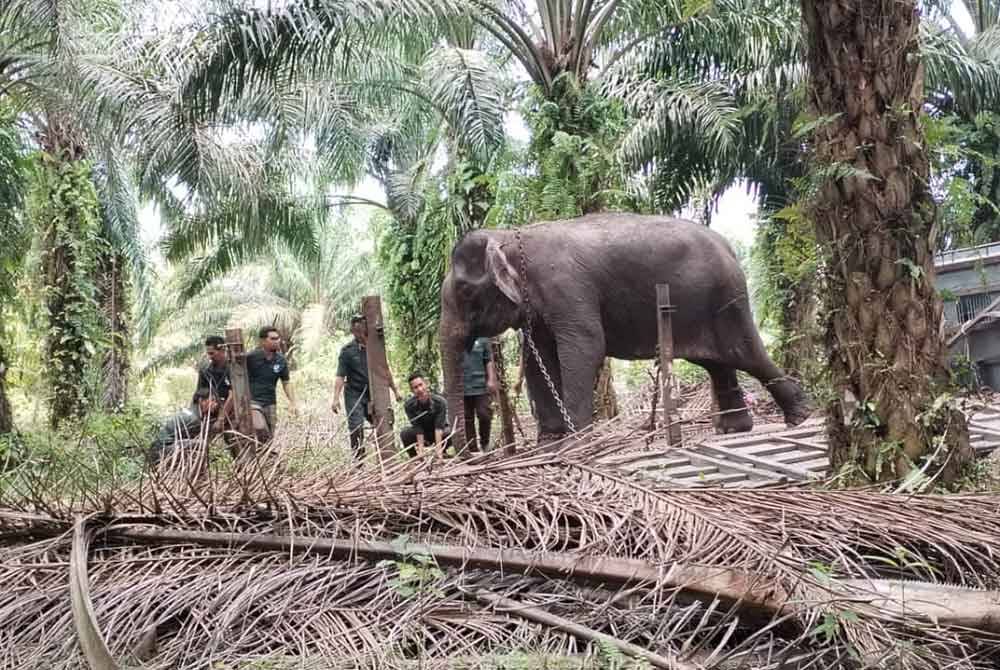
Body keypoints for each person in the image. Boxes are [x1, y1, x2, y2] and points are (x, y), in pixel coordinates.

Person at [331, 314, 401, 461]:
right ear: (352, 331)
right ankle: (359, 462)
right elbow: (340, 376)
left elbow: (385, 370)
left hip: (374, 392)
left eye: (362, 328)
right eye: (356, 329)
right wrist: (335, 398)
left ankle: (386, 459)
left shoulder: (375, 348)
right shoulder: (347, 351)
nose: (359, 332)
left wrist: (395, 391)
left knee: (384, 423)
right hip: (354, 394)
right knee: (356, 427)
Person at [245, 327, 297, 442]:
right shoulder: (251, 357)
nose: (277, 341)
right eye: (273, 339)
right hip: (253, 402)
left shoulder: (281, 360)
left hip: (270, 403)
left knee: (269, 436)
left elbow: (286, 382)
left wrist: (293, 402)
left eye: (278, 338)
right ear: (263, 341)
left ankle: (266, 458)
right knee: (260, 428)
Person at [147, 388, 218, 466]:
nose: (215, 404)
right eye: (212, 400)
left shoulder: (190, 412)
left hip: (158, 449)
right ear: (201, 401)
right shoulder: (194, 420)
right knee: (202, 444)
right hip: (162, 451)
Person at [401, 372, 449, 458]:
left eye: (421, 385)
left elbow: (439, 428)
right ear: (412, 390)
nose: (419, 389)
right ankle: (414, 458)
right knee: (405, 433)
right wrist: (421, 452)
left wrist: (439, 452)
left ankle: (443, 452)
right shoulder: (409, 405)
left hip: (439, 433)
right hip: (423, 435)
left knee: (450, 431)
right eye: (415, 387)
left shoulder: (440, 402)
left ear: (426, 384)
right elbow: (417, 428)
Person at [462, 336, 498, 452]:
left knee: (485, 414)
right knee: (467, 418)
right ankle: (472, 448)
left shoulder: (482, 339)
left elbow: (488, 361)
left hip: (481, 385)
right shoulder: (457, 336)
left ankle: (485, 443)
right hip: (462, 386)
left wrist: (491, 379)